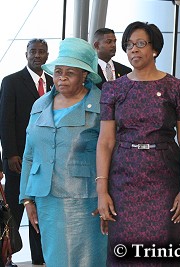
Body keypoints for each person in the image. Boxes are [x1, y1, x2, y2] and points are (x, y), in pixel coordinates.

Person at [96, 21, 180, 266]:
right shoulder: (113, 88)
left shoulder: (176, 87)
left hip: (165, 179)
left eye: (140, 44)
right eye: (129, 45)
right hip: (124, 181)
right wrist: (102, 191)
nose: (133, 49)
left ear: (155, 48)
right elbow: (105, 141)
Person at [18, 37, 107, 267]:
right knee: (56, 258)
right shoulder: (40, 105)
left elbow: (112, 155)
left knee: (88, 259)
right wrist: (27, 199)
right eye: (58, 71)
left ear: (85, 75)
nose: (62, 77)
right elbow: (30, 153)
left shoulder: (101, 105)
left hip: (87, 201)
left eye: (70, 72)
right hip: (46, 199)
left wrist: (108, 194)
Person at [0, 38, 52, 266]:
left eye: (42, 51)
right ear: (26, 54)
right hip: (17, 160)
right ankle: (5, 256)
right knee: (13, 210)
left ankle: (39, 259)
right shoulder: (11, 81)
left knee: (39, 209)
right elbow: (5, 119)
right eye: (33, 51)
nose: (37, 55)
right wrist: (10, 154)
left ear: (47, 55)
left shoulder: (54, 81)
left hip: (45, 160)